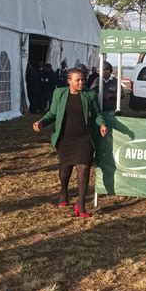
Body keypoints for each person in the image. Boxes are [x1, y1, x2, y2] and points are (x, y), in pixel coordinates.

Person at [32, 68, 108, 217]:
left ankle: (80, 204)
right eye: (77, 80)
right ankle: (64, 194)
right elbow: (52, 113)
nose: (81, 82)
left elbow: (97, 114)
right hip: (65, 138)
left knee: (84, 168)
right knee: (65, 169)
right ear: (69, 81)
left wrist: (102, 124)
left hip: (84, 138)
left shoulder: (89, 94)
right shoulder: (59, 93)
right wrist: (41, 122)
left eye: (83, 79)